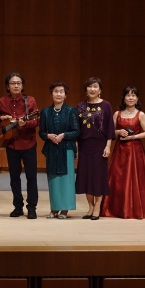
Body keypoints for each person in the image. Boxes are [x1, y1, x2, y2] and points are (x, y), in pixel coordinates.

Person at [101, 86, 145, 219]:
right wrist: (118, 132)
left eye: (133, 95)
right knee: (118, 178)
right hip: (120, 150)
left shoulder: (140, 114)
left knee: (137, 179)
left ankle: (135, 208)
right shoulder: (117, 114)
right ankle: (117, 209)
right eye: (128, 95)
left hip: (135, 150)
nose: (130, 98)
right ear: (123, 98)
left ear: (137, 98)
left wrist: (133, 137)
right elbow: (109, 132)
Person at [0, 72, 40, 219]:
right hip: (11, 144)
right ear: (7, 86)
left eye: (18, 83)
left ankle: (32, 207)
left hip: (28, 143)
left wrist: (25, 123)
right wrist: (2, 117)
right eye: (13, 83)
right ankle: (18, 206)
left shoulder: (30, 100)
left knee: (31, 177)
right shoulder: (2, 101)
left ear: (22, 85)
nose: (16, 85)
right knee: (14, 177)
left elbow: (36, 120)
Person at [75, 77, 115, 219]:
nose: (92, 89)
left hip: (100, 145)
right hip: (84, 146)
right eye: (89, 86)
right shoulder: (80, 106)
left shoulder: (106, 105)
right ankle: (90, 206)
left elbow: (110, 127)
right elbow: (77, 128)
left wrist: (108, 146)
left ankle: (97, 206)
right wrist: (76, 146)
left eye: (95, 86)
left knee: (98, 177)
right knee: (85, 177)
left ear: (100, 90)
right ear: (86, 90)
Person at [39, 80, 80, 219]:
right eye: (56, 91)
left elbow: (76, 132)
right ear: (51, 94)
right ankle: (54, 208)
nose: (58, 94)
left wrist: (63, 135)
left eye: (61, 92)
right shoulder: (45, 112)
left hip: (67, 148)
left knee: (66, 180)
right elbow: (41, 132)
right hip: (51, 148)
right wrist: (48, 136)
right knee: (53, 180)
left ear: (65, 95)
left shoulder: (71, 111)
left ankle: (64, 209)